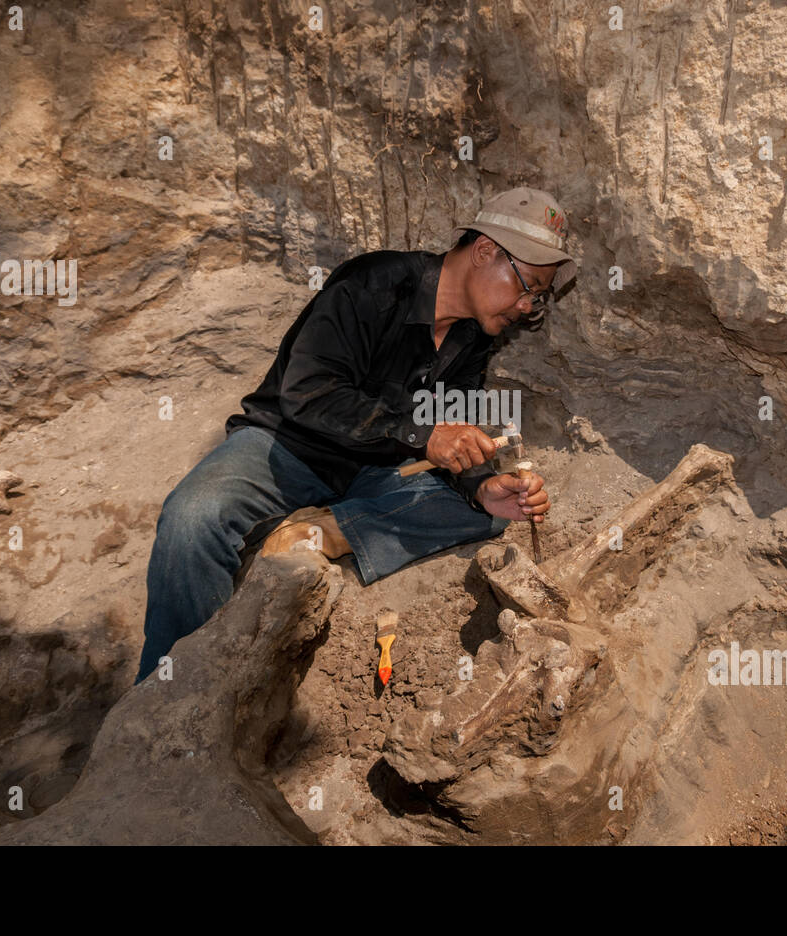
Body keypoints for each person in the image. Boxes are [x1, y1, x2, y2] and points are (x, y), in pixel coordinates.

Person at [134, 187, 577, 684]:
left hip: (377, 466)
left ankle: (317, 533)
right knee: (193, 517)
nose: (526, 306)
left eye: (537, 298)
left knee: (488, 514)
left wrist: (479, 485)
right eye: (529, 286)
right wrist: (422, 434)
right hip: (287, 447)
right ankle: (170, 690)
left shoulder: (474, 335)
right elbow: (308, 393)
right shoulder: (372, 285)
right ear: (484, 252)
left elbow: (456, 423)